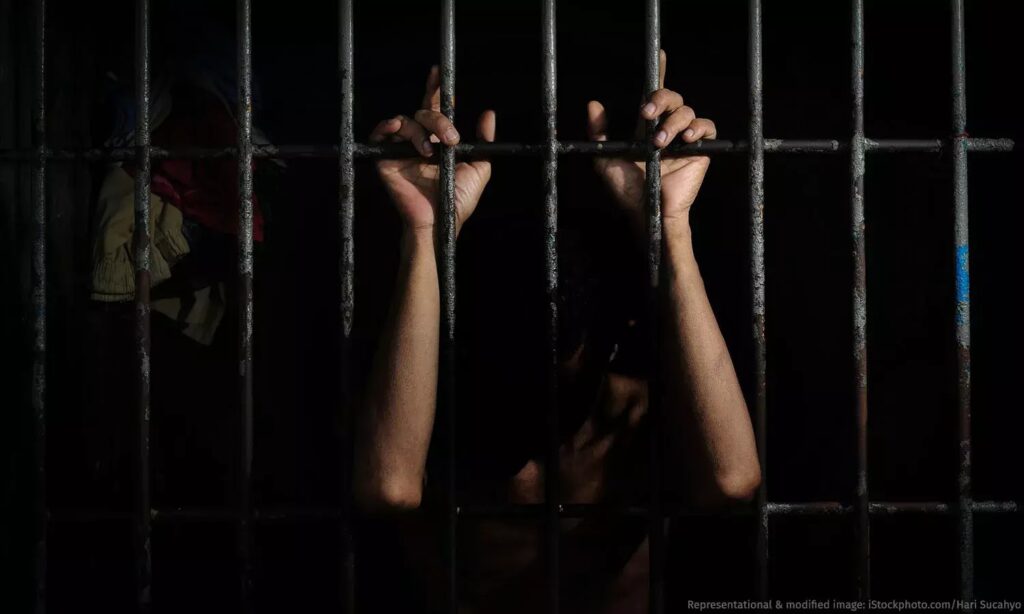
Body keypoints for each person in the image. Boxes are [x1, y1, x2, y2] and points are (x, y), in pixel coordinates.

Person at [354, 51, 760, 614]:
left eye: (560, 368)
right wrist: (423, 233)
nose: (538, 394)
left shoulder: (634, 423)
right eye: (517, 369)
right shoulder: (442, 422)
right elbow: (387, 488)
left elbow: (732, 484)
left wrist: (670, 226)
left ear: (610, 345)